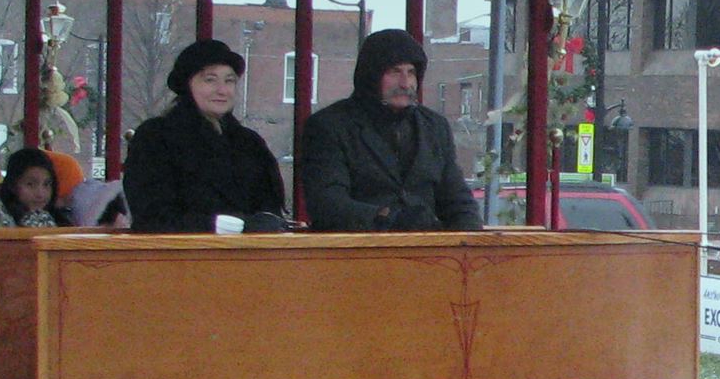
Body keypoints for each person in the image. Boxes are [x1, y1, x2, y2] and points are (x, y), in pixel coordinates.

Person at [298, 27, 482, 231]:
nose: (405, 83)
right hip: (353, 254)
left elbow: (458, 201)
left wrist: (470, 245)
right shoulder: (330, 126)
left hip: (427, 256)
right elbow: (327, 203)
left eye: (411, 72)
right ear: (371, 75)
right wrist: (388, 219)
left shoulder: (434, 127)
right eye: (394, 72)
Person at [123, 39, 289, 234]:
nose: (222, 90)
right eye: (210, 80)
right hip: (178, 257)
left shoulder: (249, 143)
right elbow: (151, 214)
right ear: (188, 85)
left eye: (229, 80)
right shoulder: (155, 138)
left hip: (250, 256)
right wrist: (213, 225)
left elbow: (269, 206)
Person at [0, 146, 68, 228]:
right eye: (30, 184)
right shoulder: (0, 220)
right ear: (12, 185)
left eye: (46, 184)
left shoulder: (60, 220)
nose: (40, 194)